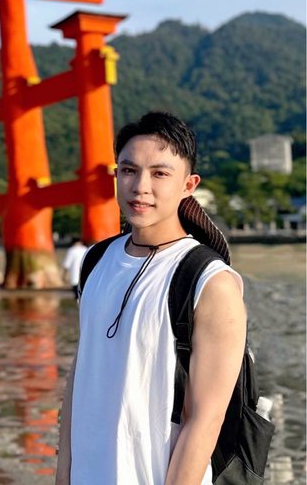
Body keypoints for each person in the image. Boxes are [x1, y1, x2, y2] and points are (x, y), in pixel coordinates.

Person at [55, 111, 246, 485]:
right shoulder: (95, 261)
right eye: (129, 171)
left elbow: (206, 418)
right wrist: (64, 473)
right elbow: (81, 373)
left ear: (188, 184)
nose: (140, 186)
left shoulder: (209, 281)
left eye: (160, 174)